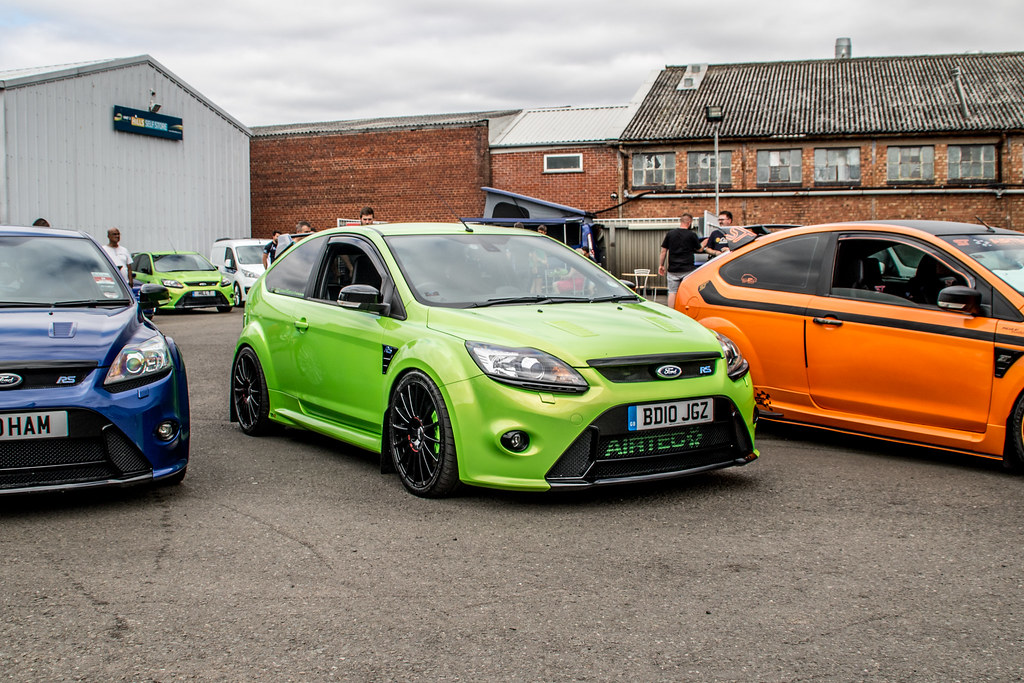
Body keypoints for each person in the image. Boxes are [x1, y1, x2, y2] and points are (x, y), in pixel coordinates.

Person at [658, 213, 702, 308]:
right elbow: (699, 249)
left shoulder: (670, 234)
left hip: (673, 269)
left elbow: (663, 251)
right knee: (688, 292)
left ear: (681, 221)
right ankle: (687, 312)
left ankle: (672, 313)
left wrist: (661, 265)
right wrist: (705, 243)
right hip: (688, 270)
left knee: (672, 292)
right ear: (689, 222)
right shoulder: (692, 235)